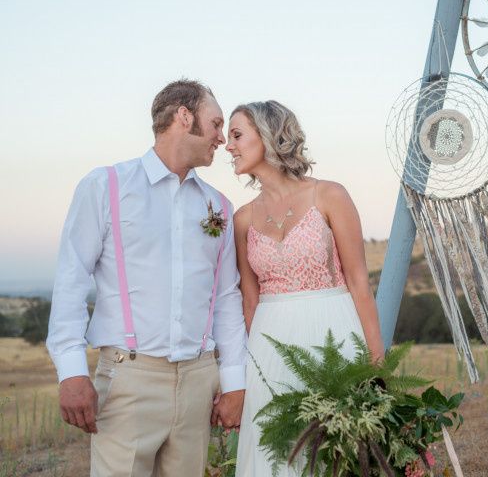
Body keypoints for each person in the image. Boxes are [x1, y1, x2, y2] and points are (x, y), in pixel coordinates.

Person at [46, 79, 247, 476]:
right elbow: (71, 279)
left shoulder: (218, 206)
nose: (222, 139)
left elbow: (226, 299)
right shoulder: (106, 186)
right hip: (128, 381)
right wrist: (71, 370)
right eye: (216, 124)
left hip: (198, 383)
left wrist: (234, 380)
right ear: (184, 117)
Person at [226, 100, 385, 476]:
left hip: (333, 335)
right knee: (276, 454)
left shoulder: (329, 195)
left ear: (267, 136)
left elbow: (359, 282)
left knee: (336, 451)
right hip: (269, 348)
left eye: (236, 135)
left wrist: (378, 365)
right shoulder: (242, 219)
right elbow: (249, 300)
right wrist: (252, 371)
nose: (228, 146)